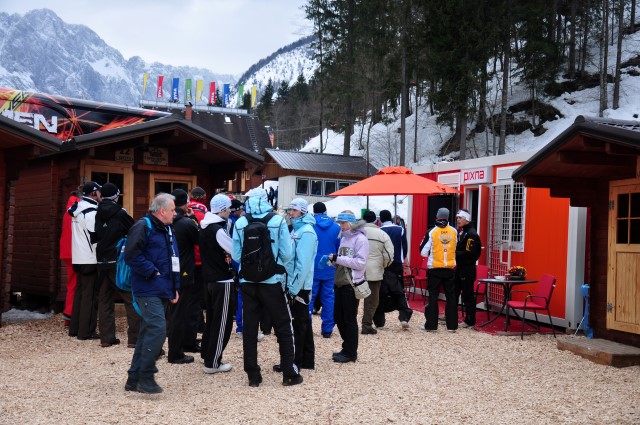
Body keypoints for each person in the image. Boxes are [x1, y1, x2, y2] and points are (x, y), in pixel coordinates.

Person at [231, 187, 302, 387]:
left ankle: (253, 376)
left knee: (250, 329)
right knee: (283, 326)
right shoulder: (278, 220)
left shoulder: (241, 222)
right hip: (272, 282)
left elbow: (236, 255)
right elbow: (287, 254)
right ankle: (289, 373)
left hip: (248, 282)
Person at [124, 193, 180, 394]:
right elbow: (131, 255)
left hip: (161, 287)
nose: (175, 213)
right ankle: (145, 377)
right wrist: (152, 272)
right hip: (147, 287)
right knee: (157, 329)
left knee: (149, 330)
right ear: (162, 211)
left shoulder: (166, 229)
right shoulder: (143, 226)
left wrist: (174, 287)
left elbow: (173, 259)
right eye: (172, 209)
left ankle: (134, 378)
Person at [94, 182, 140, 348]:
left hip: (101, 260)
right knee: (130, 297)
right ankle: (134, 338)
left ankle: (106, 338)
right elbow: (135, 230)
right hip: (118, 260)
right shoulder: (120, 213)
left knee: (105, 299)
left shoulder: (96, 212)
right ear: (116, 196)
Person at [278, 198, 317, 371]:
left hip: (299, 286)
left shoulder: (306, 232)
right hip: (295, 283)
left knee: (297, 324)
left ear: (302, 211)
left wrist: (293, 288)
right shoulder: (297, 229)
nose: (290, 213)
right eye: (290, 210)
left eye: (294, 210)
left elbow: (303, 264)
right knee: (303, 323)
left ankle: (295, 362)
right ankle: (306, 360)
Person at [199, 194, 237, 374]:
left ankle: (206, 354)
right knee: (223, 323)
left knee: (212, 320)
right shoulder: (218, 230)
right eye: (228, 207)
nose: (230, 210)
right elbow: (234, 250)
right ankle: (213, 362)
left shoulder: (204, 226)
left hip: (209, 279)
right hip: (222, 280)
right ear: (222, 209)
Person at [326, 210, 369, 363]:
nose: (341, 226)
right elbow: (345, 260)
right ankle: (347, 348)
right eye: (340, 223)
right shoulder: (344, 238)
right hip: (340, 282)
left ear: (350, 223)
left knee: (349, 319)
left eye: (343, 223)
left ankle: (351, 352)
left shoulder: (361, 239)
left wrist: (338, 259)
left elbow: (361, 263)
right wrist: (333, 261)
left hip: (351, 284)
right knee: (338, 317)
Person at [166, 188, 199, 364]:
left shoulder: (163, 221)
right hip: (184, 271)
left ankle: (181, 345)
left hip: (165, 270)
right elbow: (200, 239)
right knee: (180, 312)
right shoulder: (186, 223)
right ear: (185, 203)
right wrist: (194, 220)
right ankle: (176, 352)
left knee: (171, 312)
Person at [68, 181, 102, 341]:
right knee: (90, 295)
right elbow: (94, 237)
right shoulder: (91, 212)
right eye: (99, 192)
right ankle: (86, 331)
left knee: (80, 293)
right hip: (90, 258)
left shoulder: (78, 209)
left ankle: (75, 328)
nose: (101, 194)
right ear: (94, 193)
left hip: (78, 256)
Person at [419, 207, 458, 332]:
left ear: (437, 216)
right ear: (448, 216)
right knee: (451, 297)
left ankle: (431, 325)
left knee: (433, 297)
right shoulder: (454, 231)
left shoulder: (432, 232)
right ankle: (452, 326)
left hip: (435, 268)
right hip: (449, 268)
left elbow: (423, 252)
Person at [374, 209, 413, 329]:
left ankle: (379, 321)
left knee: (381, 292)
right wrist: (403, 259)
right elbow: (404, 247)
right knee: (399, 290)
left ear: (381, 219)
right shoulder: (400, 229)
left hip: (383, 264)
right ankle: (404, 316)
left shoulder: (379, 231)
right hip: (396, 263)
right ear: (391, 218)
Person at [310, 202, 340, 338]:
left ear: (314, 211)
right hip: (330, 265)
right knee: (329, 298)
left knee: (309, 298)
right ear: (325, 211)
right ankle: (327, 329)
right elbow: (339, 247)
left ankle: (306, 328)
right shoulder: (336, 226)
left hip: (312, 266)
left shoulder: (310, 224)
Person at [361, 210, 393, 335]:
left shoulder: (355, 233)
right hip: (374, 272)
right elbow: (389, 255)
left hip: (355, 270)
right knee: (372, 300)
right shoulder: (382, 234)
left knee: (353, 299)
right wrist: (383, 266)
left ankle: (349, 324)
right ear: (376, 220)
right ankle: (366, 325)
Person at [186, 186, 208, 349]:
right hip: (200, 260)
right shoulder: (205, 213)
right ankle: (198, 326)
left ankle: (194, 327)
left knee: (188, 297)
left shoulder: (185, 211)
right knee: (197, 298)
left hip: (186, 259)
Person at [454, 209, 482, 328]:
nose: (458, 220)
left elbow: (470, 253)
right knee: (454, 292)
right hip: (459, 268)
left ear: (467, 219)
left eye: (460, 218)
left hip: (467, 269)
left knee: (467, 295)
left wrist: (454, 253)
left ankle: (470, 320)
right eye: (457, 218)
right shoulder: (463, 232)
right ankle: (451, 315)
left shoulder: (471, 234)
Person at [60, 190, 81, 326]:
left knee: (72, 283)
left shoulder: (69, 209)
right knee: (78, 284)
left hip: (67, 251)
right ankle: (72, 315)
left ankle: (69, 315)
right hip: (77, 251)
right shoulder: (79, 209)